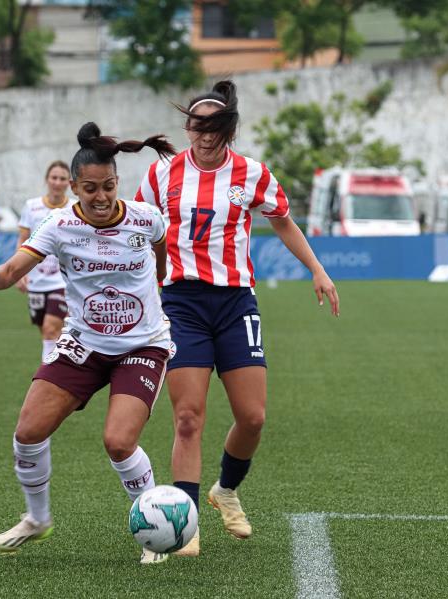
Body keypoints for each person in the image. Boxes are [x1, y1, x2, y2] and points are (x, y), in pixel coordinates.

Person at [134, 80, 339, 556]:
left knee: (253, 417)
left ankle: (225, 489)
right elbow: (141, 229)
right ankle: (184, 522)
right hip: (180, 303)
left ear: (228, 129)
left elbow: (282, 219)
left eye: (216, 127)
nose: (205, 136)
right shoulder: (162, 174)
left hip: (234, 303)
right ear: (187, 128)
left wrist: (317, 269)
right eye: (198, 126)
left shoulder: (251, 173)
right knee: (188, 417)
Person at [0, 122, 177, 565]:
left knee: (118, 442)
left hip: (143, 346)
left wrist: (160, 291)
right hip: (84, 344)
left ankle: (154, 527)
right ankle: (37, 519)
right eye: (90, 188)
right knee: (27, 433)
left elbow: (161, 258)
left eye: (109, 186)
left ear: (119, 182)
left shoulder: (146, 218)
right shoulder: (57, 225)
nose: (101, 197)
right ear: (74, 188)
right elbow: (5, 276)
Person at [16, 161, 73, 361]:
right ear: (47, 180)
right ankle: (65, 373)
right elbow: (22, 240)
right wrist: (19, 272)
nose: (57, 182)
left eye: (62, 179)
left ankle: (48, 380)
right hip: (37, 282)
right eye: (54, 178)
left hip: (64, 282)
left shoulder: (74, 207)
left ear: (69, 183)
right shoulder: (32, 207)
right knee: (47, 333)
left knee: (50, 329)